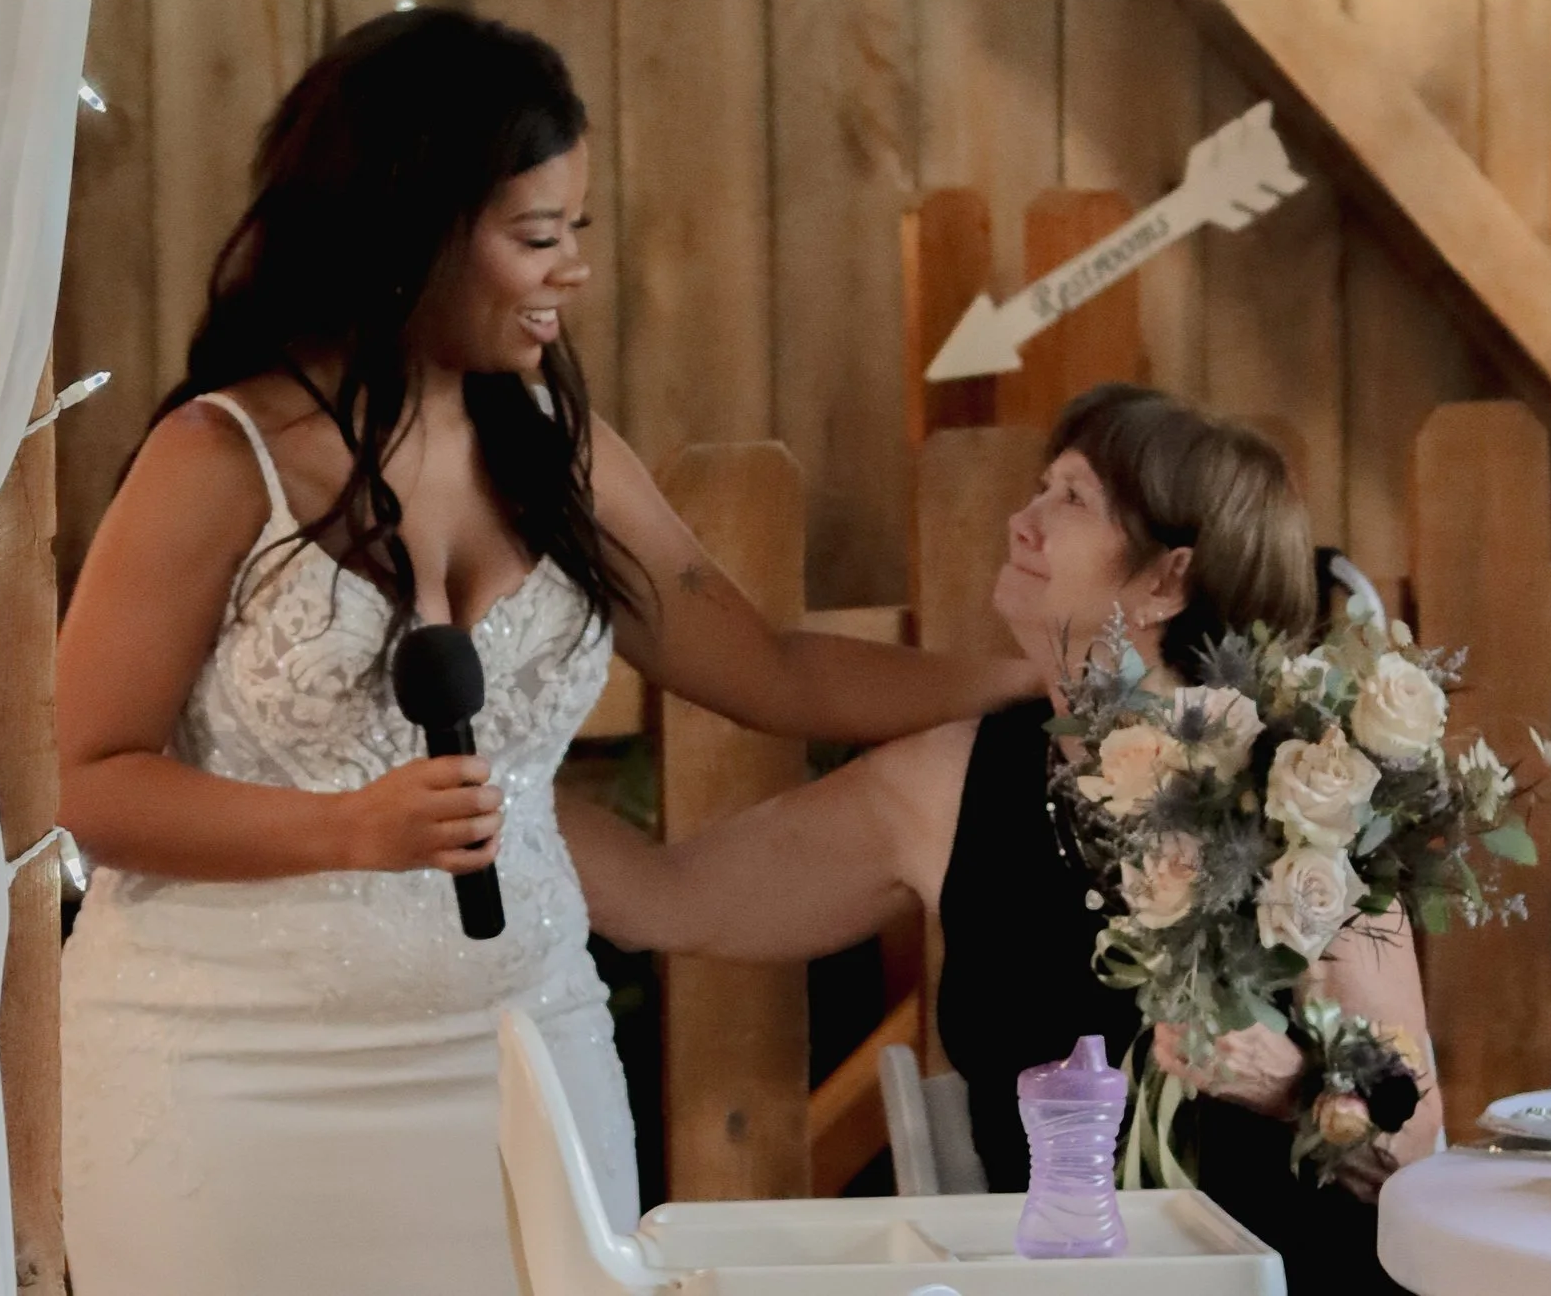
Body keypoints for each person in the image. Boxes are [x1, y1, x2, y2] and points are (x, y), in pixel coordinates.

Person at [55, 8, 1039, 1296]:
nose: (572, 267)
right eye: (535, 234)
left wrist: (1036, 679)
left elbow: (774, 671)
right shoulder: (215, 457)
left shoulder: (559, 450)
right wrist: (348, 827)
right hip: (225, 1073)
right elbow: (82, 777)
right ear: (410, 229)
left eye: (577, 226)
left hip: (518, 1048)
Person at [563, 385, 1441, 1296]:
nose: (1024, 520)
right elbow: (666, 900)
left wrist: (1289, 1083)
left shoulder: (1304, 788)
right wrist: (497, 783)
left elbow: (1413, 1139)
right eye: (1040, 489)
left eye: (1074, 499)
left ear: (1168, 579)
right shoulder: (949, 784)